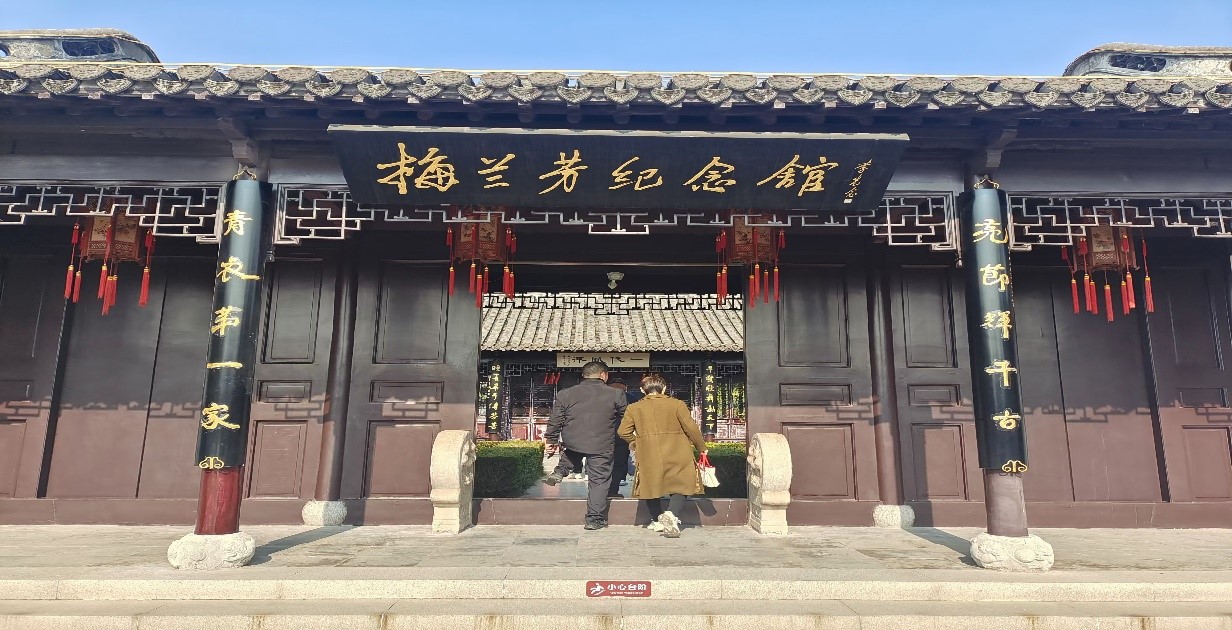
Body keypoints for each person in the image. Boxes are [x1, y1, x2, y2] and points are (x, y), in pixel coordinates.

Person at [617, 373, 708, 538]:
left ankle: (657, 520)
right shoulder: (677, 404)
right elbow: (691, 428)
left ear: (642, 390)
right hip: (678, 449)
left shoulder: (634, 408)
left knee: (651, 485)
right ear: (664, 388)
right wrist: (701, 447)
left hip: (648, 452)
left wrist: (637, 443)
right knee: (682, 482)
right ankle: (671, 514)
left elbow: (623, 431)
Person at [543, 361, 628, 530]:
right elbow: (627, 417)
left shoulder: (565, 393)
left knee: (574, 450)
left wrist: (551, 439)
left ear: (584, 375)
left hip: (573, 440)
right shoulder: (616, 394)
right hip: (601, 443)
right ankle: (594, 519)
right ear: (603, 375)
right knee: (599, 480)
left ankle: (561, 470)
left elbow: (556, 419)